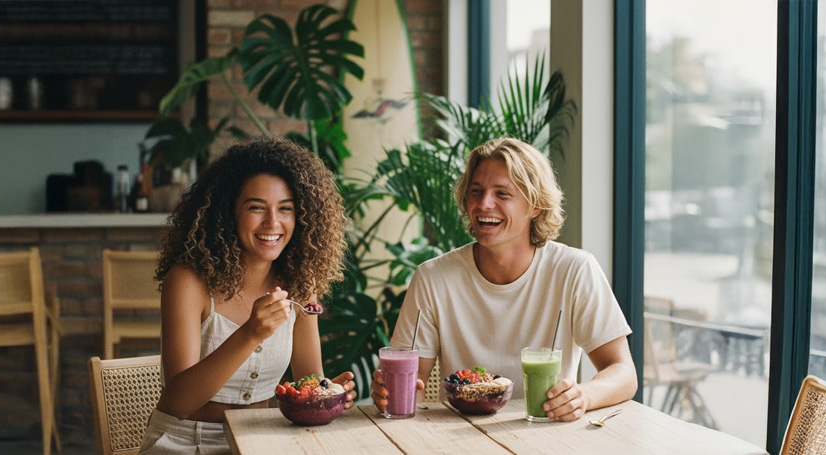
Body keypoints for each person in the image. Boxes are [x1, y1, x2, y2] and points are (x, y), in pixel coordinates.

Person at [370, 137, 637, 422]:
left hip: (546, 431)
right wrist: (390, 394)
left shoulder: (574, 270)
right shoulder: (433, 277)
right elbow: (413, 387)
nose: (484, 204)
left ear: (535, 205)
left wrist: (584, 396)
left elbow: (623, 372)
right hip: (457, 436)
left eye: (502, 194)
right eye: (476, 191)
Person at [140, 137, 355, 454]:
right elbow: (180, 401)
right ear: (227, 212)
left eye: (286, 209)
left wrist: (324, 393)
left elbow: (309, 376)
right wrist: (251, 333)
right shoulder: (188, 282)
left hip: (262, 442)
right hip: (186, 442)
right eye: (257, 208)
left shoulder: (299, 284)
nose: (273, 223)